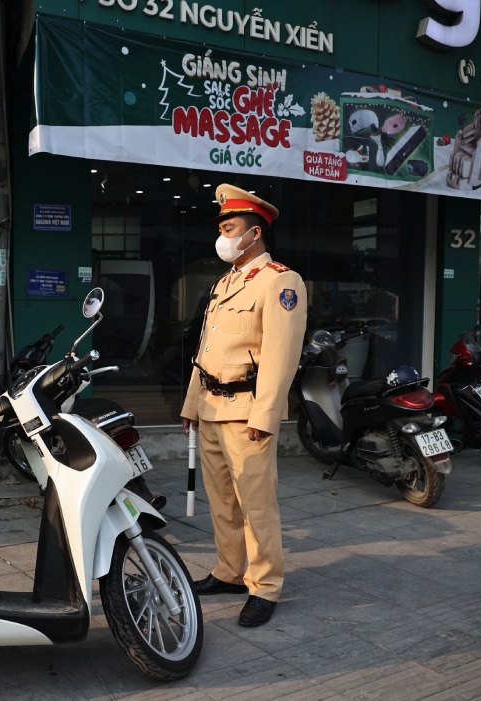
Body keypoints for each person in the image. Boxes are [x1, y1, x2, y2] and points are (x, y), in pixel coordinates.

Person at [181, 184, 307, 628]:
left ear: (254, 233)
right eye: (221, 228)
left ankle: (265, 585)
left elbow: (281, 355)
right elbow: (207, 348)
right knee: (222, 503)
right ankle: (229, 571)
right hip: (212, 409)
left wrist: (266, 414)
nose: (223, 236)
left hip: (246, 412)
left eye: (230, 228)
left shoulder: (280, 281)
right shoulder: (226, 282)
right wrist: (191, 404)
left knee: (256, 506)